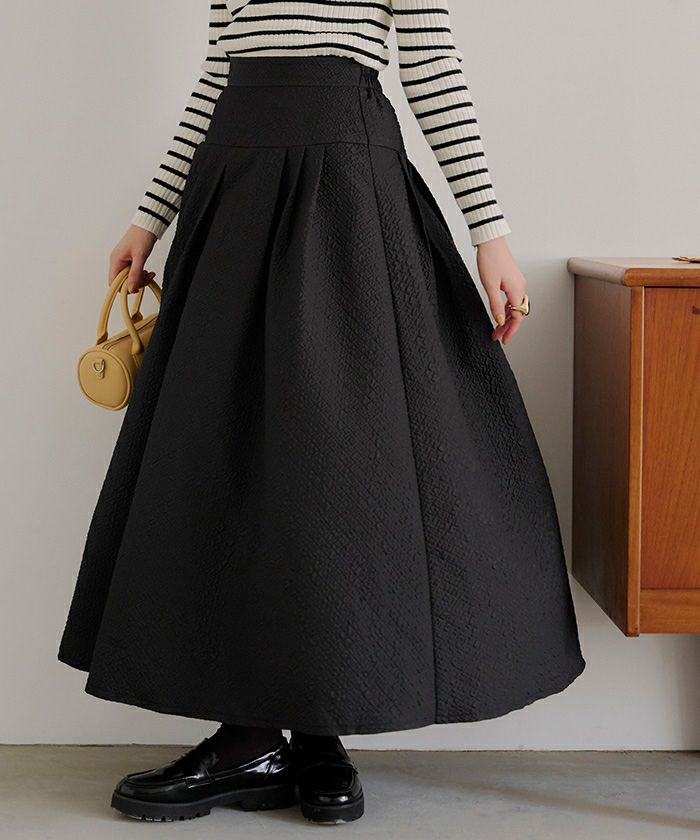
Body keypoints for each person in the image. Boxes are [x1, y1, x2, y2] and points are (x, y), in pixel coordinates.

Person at [58, 0, 586, 826]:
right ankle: (255, 739)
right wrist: (148, 217)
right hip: (233, 196)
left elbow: (431, 68)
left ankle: (314, 731)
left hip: (346, 203)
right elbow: (218, 73)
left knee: (338, 465)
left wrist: (491, 234)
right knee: (229, 455)